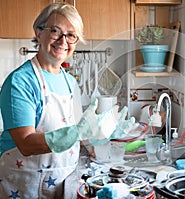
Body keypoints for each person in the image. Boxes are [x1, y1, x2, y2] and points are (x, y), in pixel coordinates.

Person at [0, 3, 133, 198]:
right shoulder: (20, 82)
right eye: (55, 31)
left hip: (62, 183)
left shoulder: (70, 81)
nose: (63, 41)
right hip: (23, 186)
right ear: (38, 32)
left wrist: (103, 134)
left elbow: (76, 131)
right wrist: (77, 132)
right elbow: (26, 144)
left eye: (71, 35)